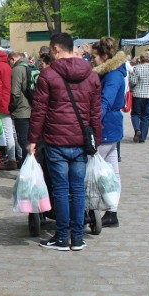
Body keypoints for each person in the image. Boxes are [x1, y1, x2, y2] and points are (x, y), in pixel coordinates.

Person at [27, 33, 102, 251]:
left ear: (57, 49)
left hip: (55, 141)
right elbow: (95, 114)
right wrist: (95, 141)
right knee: (77, 189)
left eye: (51, 50)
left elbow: (39, 111)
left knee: (60, 189)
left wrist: (33, 139)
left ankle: (61, 237)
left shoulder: (48, 75)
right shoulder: (91, 76)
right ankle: (77, 238)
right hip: (80, 141)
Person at [90, 37, 126, 227]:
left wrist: (93, 124)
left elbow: (105, 102)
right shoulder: (114, 72)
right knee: (112, 172)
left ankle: (98, 209)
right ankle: (112, 212)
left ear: (104, 56)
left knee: (96, 171)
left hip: (106, 128)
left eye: (95, 56)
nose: (93, 60)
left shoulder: (112, 76)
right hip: (111, 126)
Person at [8, 51, 32, 165]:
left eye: (9, 62)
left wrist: (12, 107)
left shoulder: (17, 69)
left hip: (22, 110)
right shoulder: (32, 66)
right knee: (31, 141)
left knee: (23, 141)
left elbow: (15, 93)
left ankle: (28, 169)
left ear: (13, 59)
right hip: (33, 108)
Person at [129, 52, 149, 142]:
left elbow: (133, 81)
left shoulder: (137, 68)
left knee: (135, 114)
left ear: (140, 59)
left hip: (139, 95)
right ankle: (142, 138)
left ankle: (137, 129)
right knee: (146, 117)